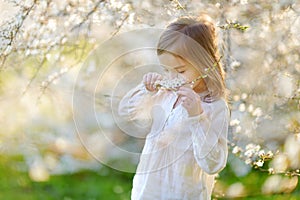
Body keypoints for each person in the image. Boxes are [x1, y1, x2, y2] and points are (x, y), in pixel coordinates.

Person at [118, 14, 230, 200]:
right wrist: (146, 90)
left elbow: (212, 164)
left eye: (180, 71)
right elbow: (126, 113)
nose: (172, 78)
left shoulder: (214, 106)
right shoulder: (165, 94)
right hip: (148, 190)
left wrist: (197, 116)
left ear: (204, 64)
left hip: (182, 193)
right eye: (166, 70)